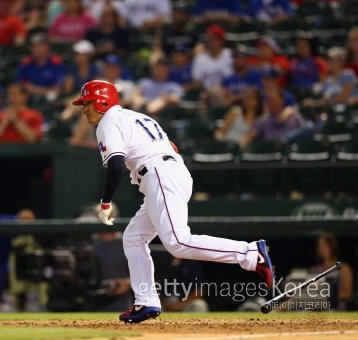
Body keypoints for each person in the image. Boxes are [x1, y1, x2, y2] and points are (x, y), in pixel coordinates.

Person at [72, 80, 274, 323]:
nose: (85, 109)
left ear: (103, 101)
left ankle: (250, 253)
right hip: (168, 172)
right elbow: (171, 146)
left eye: (89, 103)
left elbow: (115, 163)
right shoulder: (136, 117)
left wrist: (105, 203)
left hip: (158, 174)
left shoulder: (108, 121)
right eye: (83, 104)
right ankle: (146, 301)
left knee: (178, 242)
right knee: (134, 237)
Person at [241, 88, 307, 149]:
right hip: (270, 153)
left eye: (273, 100)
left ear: (282, 100)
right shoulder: (263, 120)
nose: (269, 102)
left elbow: (306, 132)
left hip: (292, 152)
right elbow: (247, 139)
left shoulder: (295, 117)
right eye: (268, 100)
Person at [15, 32, 65, 99]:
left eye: (40, 46)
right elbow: (21, 84)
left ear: (47, 47)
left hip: (51, 99)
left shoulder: (56, 63)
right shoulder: (25, 63)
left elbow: (58, 88)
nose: (37, 49)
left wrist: (36, 90)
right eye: (34, 46)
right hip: (29, 99)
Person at [311, 233, 353, 310]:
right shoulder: (314, 269)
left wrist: (326, 296)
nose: (321, 249)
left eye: (325, 245)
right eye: (319, 246)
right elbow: (310, 292)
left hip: (337, 311)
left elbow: (347, 294)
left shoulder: (344, 268)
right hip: (318, 310)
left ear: (332, 246)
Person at [191, 24, 233, 90]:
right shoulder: (200, 59)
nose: (211, 42)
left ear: (221, 41)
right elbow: (196, 81)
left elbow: (233, 78)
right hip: (205, 92)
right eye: (209, 39)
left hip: (226, 91)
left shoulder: (230, 56)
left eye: (214, 39)